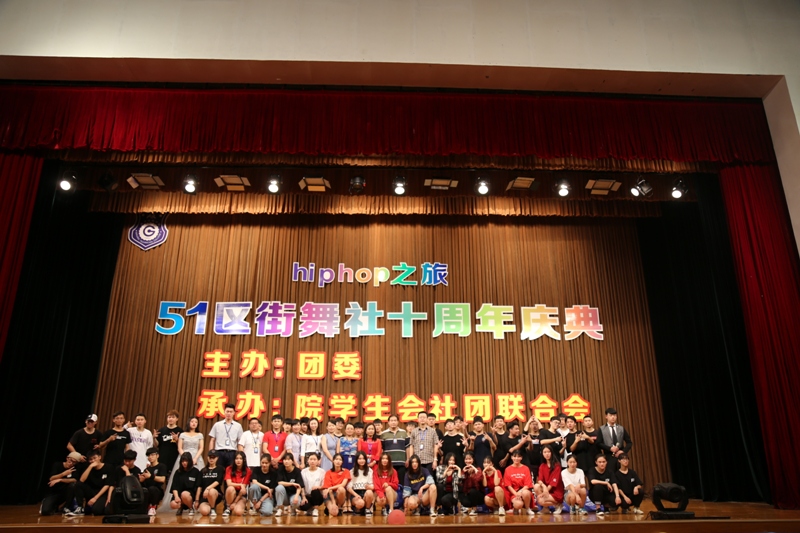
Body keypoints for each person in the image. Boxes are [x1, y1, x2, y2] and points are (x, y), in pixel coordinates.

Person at [64, 450, 114, 516]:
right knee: (78, 485)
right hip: (91, 491)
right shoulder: (88, 467)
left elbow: (107, 485)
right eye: (90, 459)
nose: (93, 461)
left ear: (100, 457)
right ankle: (80, 507)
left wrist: (95, 498)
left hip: (102, 493)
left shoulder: (109, 467)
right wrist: (90, 467)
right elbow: (81, 480)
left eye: (94, 458)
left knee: (96, 511)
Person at [381, 414, 409, 504]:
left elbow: (407, 447)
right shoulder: (383, 434)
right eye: (391, 420)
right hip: (389, 464)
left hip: (401, 462)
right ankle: (389, 504)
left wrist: (408, 459)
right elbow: (382, 449)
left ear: (398, 422)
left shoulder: (403, 432)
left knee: (401, 483)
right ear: (388, 422)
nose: (393, 422)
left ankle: (400, 503)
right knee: (389, 483)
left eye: (395, 420)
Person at [208, 404, 243, 471]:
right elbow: (212, 440)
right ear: (224, 412)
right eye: (227, 411)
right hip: (219, 452)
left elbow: (239, 441)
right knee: (218, 471)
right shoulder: (217, 424)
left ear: (234, 413)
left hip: (232, 452)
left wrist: (239, 455)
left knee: (230, 472)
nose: (229, 413)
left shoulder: (238, 426)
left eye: (231, 412)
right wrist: (211, 453)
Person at [598, 408, 632, 472]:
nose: (613, 417)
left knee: (622, 473)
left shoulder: (621, 428)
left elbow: (629, 442)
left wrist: (623, 451)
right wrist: (610, 448)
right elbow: (598, 443)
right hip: (609, 456)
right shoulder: (602, 429)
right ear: (606, 416)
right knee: (611, 473)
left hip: (621, 456)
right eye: (611, 415)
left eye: (614, 415)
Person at [502, 450, 535, 515]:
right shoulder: (507, 469)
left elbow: (527, 485)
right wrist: (516, 494)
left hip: (523, 491)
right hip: (513, 492)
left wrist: (520, 492)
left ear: (521, 458)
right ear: (511, 457)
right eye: (514, 456)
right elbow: (508, 485)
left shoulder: (526, 468)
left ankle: (527, 508)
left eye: (518, 457)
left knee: (526, 492)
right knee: (518, 504)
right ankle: (515, 508)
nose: (516, 458)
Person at [534, 445, 564, 514]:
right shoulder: (542, 466)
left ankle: (558, 504)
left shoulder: (557, 465)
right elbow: (540, 480)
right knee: (536, 486)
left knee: (541, 500)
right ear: (542, 454)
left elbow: (553, 482)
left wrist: (546, 490)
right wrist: (544, 487)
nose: (547, 454)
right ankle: (546, 509)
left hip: (556, 491)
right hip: (547, 490)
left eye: (548, 452)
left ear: (551, 453)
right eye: (545, 452)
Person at [197, 450, 225, 517]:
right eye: (210, 457)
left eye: (213, 457)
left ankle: (213, 508)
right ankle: (209, 507)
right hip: (204, 496)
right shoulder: (203, 470)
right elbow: (199, 486)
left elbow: (218, 481)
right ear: (207, 458)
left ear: (217, 458)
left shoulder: (220, 469)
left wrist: (208, 488)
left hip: (215, 494)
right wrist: (197, 500)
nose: (211, 459)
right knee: (204, 512)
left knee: (211, 491)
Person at [223, 450, 252, 516]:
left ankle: (241, 507)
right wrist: (240, 484)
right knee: (230, 488)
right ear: (234, 460)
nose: (238, 460)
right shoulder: (229, 468)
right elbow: (229, 484)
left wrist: (235, 502)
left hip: (241, 495)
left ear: (244, 460)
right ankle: (228, 508)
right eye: (236, 458)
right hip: (231, 493)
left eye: (240, 458)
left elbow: (243, 490)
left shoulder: (248, 471)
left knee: (238, 512)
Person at [155, 410, 182, 476]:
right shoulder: (161, 430)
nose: (170, 419)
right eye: (169, 417)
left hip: (174, 459)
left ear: (177, 419)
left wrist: (177, 440)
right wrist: (154, 438)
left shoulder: (180, 431)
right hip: (162, 458)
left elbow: (181, 447)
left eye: (173, 417)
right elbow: (156, 445)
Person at [141, 447, 167, 516]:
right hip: (147, 490)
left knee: (152, 489)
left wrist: (151, 476)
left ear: (157, 455)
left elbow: (162, 479)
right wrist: (141, 480)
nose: (150, 457)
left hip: (158, 490)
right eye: (148, 455)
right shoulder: (147, 469)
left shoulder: (161, 466)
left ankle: (153, 507)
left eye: (152, 455)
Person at [348, 451, 375, 515]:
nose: (361, 460)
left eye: (363, 459)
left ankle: (367, 509)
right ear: (356, 460)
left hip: (365, 492)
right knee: (360, 503)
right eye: (359, 459)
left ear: (366, 460)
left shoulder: (370, 471)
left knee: (369, 492)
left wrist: (370, 487)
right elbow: (348, 487)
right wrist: (356, 495)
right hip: (355, 493)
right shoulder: (352, 471)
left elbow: (373, 485)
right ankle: (358, 509)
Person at [458, 451, 484, 515]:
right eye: (466, 459)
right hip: (468, 494)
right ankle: (466, 508)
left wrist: (474, 469)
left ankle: (474, 509)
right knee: (461, 495)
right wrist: (463, 472)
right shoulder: (464, 469)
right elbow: (459, 482)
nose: (468, 461)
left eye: (470, 459)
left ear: (473, 459)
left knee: (472, 491)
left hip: (478, 494)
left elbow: (478, 479)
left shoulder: (478, 469)